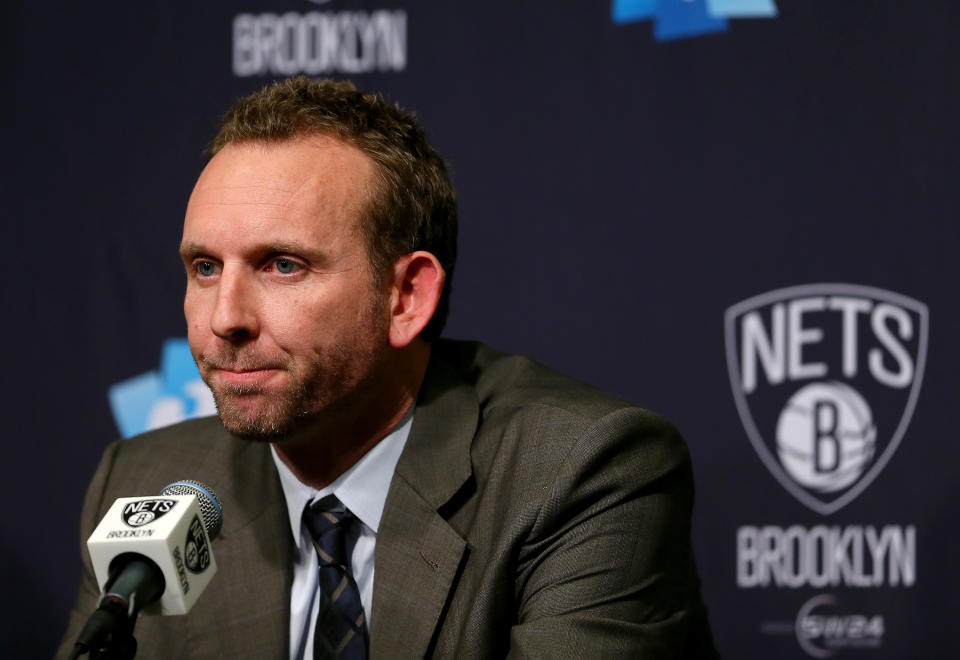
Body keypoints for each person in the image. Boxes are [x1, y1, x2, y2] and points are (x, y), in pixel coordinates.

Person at [57, 76, 717, 659]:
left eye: (282, 265)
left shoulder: (581, 473)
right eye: (205, 267)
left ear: (407, 297)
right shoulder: (145, 486)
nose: (225, 317)